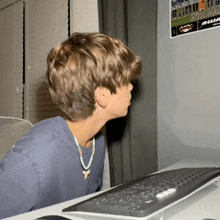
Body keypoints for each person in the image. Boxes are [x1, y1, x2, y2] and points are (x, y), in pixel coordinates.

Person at [0, 32, 142, 219]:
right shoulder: (31, 162)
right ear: (102, 96)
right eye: (125, 81)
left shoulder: (95, 141)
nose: (131, 87)